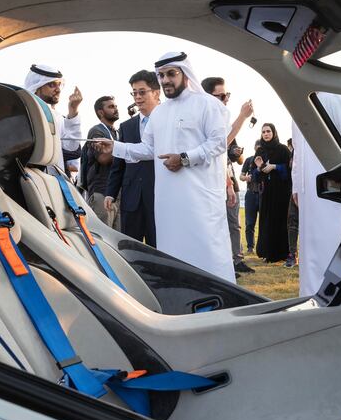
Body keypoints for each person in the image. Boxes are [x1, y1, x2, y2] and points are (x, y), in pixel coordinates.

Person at [94, 52, 234, 283]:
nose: (166, 80)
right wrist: (115, 147)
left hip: (200, 200)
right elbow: (148, 149)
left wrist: (185, 158)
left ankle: (222, 299)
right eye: (161, 75)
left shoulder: (207, 104)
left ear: (185, 74)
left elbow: (219, 142)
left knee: (208, 251)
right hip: (168, 203)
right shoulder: (160, 113)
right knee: (173, 251)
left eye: (171, 74)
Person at [294, 93, 341, 297]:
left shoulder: (333, 100)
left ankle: (330, 295)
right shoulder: (296, 100)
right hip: (308, 190)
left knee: (330, 242)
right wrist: (297, 185)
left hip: (332, 186)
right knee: (310, 247)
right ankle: (310, 294)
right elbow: (297, 150)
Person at [202, 76, 255, 274]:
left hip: (224, 178)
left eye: (227, 95)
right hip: (210, 182)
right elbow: (220, 145)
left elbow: (228, 154)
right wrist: (242, 116)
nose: (226, 99)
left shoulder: (219, 118)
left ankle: (234, 261)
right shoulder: (205, 118)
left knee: (232, 224)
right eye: (221, 96)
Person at [105, 70, 159, 246]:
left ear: (156, 92)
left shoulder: (167, 120)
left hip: (158, 195)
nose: (137, 96)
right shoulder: (126, 126)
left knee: (159, 247)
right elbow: (118, 164)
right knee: (130, 248)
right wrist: (111, 193)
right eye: (134, 92)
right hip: (131, 197)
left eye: (142, 92)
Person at [23, 63, 83, 175]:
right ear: (37, 87)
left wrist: (73, 110)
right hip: (27, 178)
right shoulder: (23, 112)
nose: (58, 89)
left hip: (53, 180)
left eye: (59, 85)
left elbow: (71, 146)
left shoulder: (56, 116)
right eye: (52, 85)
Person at [254, 123, 292, 263]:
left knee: (280, 221)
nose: (266, 134)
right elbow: (254, 175)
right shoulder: (260, 151)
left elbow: (290, 170)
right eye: (263, 131)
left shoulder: (282, 149)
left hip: (281, 193)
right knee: (266, 222)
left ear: (274, 132)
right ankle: (267, 252)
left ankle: (281, 253)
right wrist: (259, 169)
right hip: (266, 192)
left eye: (268, 131)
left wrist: (274, 167)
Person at [82, 96, 120, 229]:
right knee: (102, 239)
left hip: (117, 195)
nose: (115, 109)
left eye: (115, 106)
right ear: (100, 112)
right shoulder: (96, 130)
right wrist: (124, 151)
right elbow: (103, 158)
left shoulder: (117, 133)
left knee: (118, 244)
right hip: (102, 193)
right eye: (111, 106)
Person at [239, 140, 262, 255]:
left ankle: (262, 248)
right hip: (250, 194)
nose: (259, 150)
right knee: (249, 223)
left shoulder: (267, 161)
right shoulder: (248, 160)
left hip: (264, 194)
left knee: (264, 223)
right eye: (257, 148)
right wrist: (245, 178)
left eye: (261, 148)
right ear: (254, 148)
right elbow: (241, 176)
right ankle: (250, 247)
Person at [284, 137, 299, 268]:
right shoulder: (295, 150)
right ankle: (292, 254)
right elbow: (293, 170)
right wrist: (295, 190)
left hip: (315, 188)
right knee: (292, 222)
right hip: (296, 189)